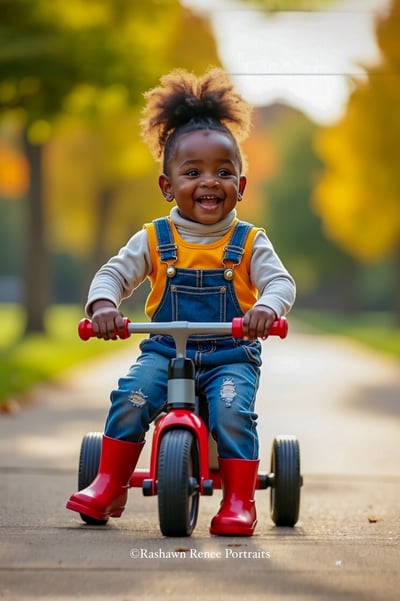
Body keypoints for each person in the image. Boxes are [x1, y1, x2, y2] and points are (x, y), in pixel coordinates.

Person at [66, 67, 296, 536]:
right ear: (167, 186)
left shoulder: (250, 241)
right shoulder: (155, 238)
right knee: (130, 397)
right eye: (192, 172)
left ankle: (238, 500)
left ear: (241, 186)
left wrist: (266, 309)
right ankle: (108, 483)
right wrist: (104, 305)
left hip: (231, 354)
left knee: (232, 413)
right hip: (165, 351)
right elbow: (114, 273)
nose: (209, 182)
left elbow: (280, 283)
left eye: (223, 172)